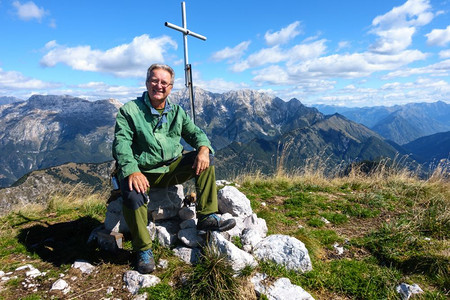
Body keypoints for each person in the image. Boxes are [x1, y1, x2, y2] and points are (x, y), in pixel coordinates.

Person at [112, 63, 236, 274]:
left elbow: (196, 134)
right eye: (154, 80)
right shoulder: (130, 111)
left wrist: (204, 149)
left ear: (170, 87)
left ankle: (206, 217)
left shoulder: (177, 112)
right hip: (143, 171)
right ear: (146, 82)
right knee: (132, 196)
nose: (158, 86)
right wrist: (132, 170)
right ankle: (143, 249)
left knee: (207, 160)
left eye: (164, 83)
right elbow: (121, 144)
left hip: (172, 168)